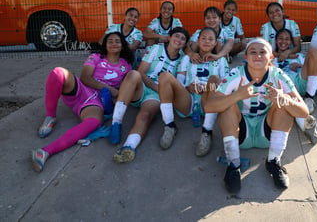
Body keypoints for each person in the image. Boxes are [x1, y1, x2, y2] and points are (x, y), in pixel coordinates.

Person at [204, 38, 309, 194]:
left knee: (284, 105)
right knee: (227, 105)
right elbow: (209, 106)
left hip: (267, 133)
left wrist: (284, 100)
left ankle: (273, 162)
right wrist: (236, 96)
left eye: (263, 52)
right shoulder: (236, 74)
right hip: (240, 132)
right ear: (245, 57)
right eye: (253, 52)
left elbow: (304, 112)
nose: (258, 55)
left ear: (271, 57)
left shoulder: (278, 74)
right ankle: (233, 165)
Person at [32, 32, 134, 172]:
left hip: (96, 102)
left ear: (122, 45)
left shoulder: (126, 65)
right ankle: (50, 117)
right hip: (82, 89)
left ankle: (45, 152)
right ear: (104, 44)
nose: (113, 43)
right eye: (110, 41)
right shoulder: (96, 57)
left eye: (117, 41)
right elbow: (85, 78)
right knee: (57, 73)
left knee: (94, 122)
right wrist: (110, 89)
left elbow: (127, 86)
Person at [110, 27, 189, 164]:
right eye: (176, 36)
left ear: (185, 44)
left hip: (158, 96)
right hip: (144, 87)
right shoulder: (156, 48)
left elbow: (178, 86)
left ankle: (129, 147)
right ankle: (116, 122)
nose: (179, 40)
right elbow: (141, 72)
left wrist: (162, 91)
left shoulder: (183, 59)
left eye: (183, 39)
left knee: (145, 115)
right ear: (169, 37)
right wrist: (157, 87)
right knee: (133, 74)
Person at [158, 27, 229, 156]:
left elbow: (226, 86)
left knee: (214, 79)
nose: (207, 41)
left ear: (215, 43)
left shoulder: (221, 60)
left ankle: (207, 131)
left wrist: (207, 88)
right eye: (203, 38)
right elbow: (179, 82)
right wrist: (187, 87)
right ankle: (169, 125)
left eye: (210, 39)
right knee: (165, 76)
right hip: (187, 101)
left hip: (207, 103)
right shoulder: (187, 59)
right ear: (198, 40)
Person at [273, 29, 317, 144]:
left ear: (290, 42)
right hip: (284, 84)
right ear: (275, 41)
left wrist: (299, 65)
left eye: (286, 39)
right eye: (280, 38)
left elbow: (312, 67)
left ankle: (309, 98)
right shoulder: (272, 57)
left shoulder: (299, 55)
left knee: (314, 51)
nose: (283, 41)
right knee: (290, 102)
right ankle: (308, 127)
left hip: (300, 80)